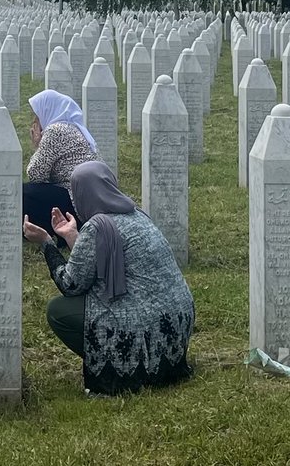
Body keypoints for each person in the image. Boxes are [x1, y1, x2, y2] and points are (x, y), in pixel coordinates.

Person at [23, 160, 194, 396]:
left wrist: (47, 244)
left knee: (58, 310)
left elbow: (71, 284)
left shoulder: (97, 227)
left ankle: (118, 367)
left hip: (142, 323)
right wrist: (73, 236)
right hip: (177, 321)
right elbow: (94, 265)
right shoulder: (137, 214)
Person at [22, 89, 97, 238]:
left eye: (37, 116)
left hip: (76, 203)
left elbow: (35, 173)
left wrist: (37, 144)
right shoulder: (73, 128)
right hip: (89, 202)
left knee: (22, 194)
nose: (35, 122)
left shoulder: (55, 131)